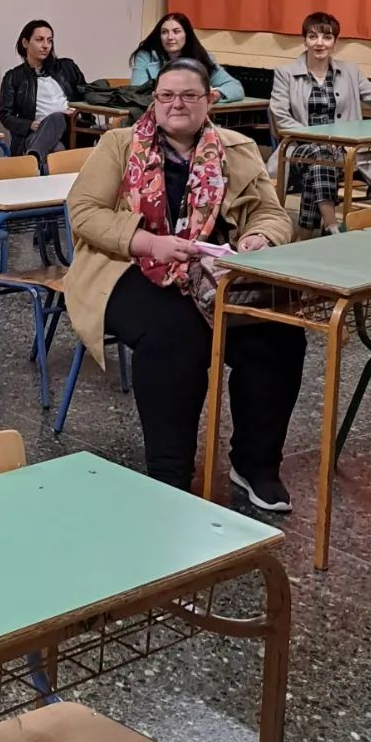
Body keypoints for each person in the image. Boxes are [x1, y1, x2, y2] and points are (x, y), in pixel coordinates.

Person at [65, 58, 300, 511]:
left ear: (209, 100)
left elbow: (271, 213)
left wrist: (258, 238)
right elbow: (86, 212)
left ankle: (256, 465)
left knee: (278, 334)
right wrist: (150, 242)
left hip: (216, 271)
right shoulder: (119, 144)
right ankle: (169, 474)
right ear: (154, 100)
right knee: (175, 336)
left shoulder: (236, 148)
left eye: (190, 96)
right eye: (167, 95)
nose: (177, 104)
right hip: (128, 265)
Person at [270, 10, 371, 235]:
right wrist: (318, 138)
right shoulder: (284, 74)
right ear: (304, 40)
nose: (319, 43)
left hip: (344, 152)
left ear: (335, 42)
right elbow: (280, 116)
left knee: (318, 167)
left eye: (326, 37)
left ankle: (314, 232)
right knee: (320, 155)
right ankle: (332, 226)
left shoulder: (350, 72)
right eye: (312, 36)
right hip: (298, 149)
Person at [0, 20, 86, 164]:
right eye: (39, 40)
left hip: (71, 127)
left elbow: (86, 95)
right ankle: (35, 158)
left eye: (49, 41)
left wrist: (77, 111)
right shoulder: (14, 77)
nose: (46, 45)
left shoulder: (67, 68)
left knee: (58, 117)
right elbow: (5, 115)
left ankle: (32, 160)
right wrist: (29, 125)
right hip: (37, 132)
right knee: (57, 149)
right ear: (25, 43)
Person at [129, 12, 245, 103]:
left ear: (186, 35)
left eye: (176, 32)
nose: (170, 37)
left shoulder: (202, 57)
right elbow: (137, 93)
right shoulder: (146, 56)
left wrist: (216, 95)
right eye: (164, 32)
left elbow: (235, 87)